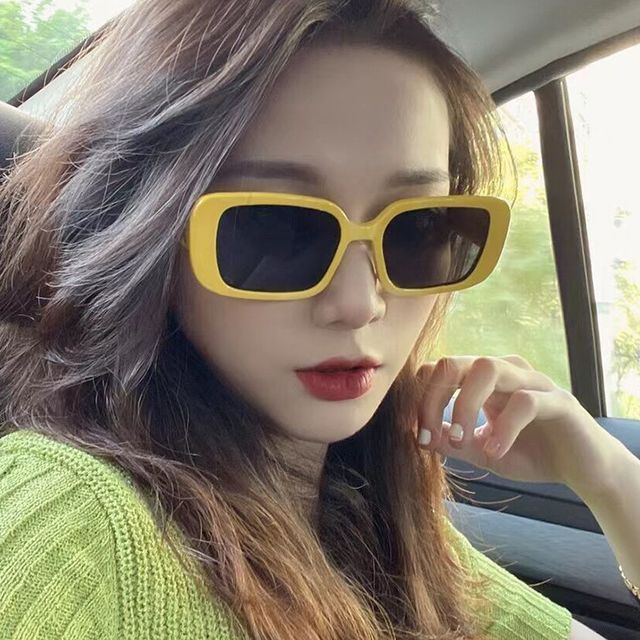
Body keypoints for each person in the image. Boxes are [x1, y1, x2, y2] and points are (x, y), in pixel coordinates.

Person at [0, 1, 637, 638]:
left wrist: (605, 474)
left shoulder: (372, 523)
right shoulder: (67, 523)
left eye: (417, 228)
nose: (360, 304)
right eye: (274, 228)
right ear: (145, 236)